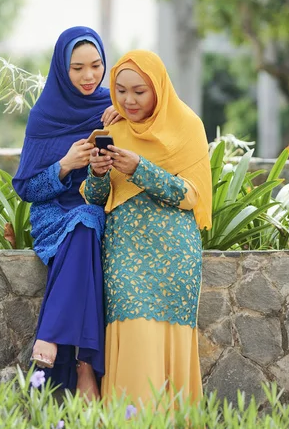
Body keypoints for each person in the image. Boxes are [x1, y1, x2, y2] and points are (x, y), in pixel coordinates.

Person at [82, 50, 212, 406]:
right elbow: (95, 199)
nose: (128, 100)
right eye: (121, 91)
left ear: (158, 87)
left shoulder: (188, 126)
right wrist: (97, 172)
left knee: (167, 345)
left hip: (175, 257)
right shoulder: (114, 129)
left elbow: (190, 195)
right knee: (133, 338)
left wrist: (141, 167)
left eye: (139, 91)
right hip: (125, 252)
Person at [12, 26, 119, 400]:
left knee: (87, 222)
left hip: (96, 203)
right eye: (77, 68)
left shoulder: (112, 107)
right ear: (62, 68)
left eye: (96, 66)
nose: (89, 77)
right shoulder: (44, 115)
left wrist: (115, 130)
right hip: (53, 211)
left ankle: (50, 337)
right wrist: (64, 165)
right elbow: (27, 189)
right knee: (84, 230)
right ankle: (86, 367)